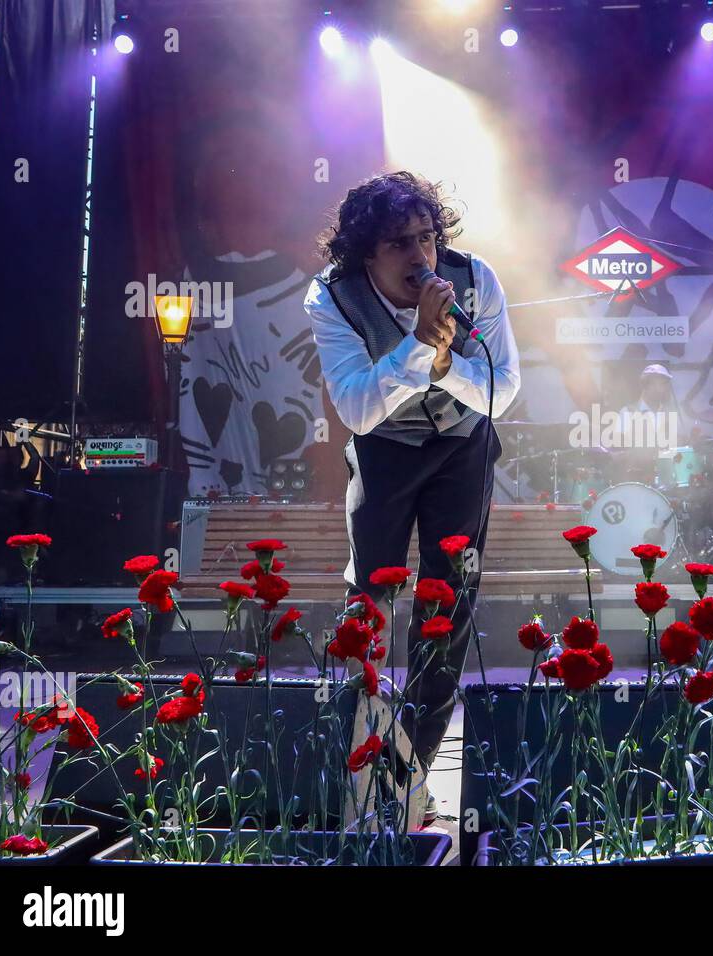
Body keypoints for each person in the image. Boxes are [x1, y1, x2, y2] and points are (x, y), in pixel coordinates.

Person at [304, 172, 520, 820]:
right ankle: (354, 766)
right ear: (366, 252)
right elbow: (360, 410)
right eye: (400, 243)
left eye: (427, 237)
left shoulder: (475, 278)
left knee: (447, 605)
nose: (421, 256)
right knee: (369, 597)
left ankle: (411, 782)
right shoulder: (333, 297)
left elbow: (502, 390)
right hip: (385, 450)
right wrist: (417, 349)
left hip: (462, 448)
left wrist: (448, 364)